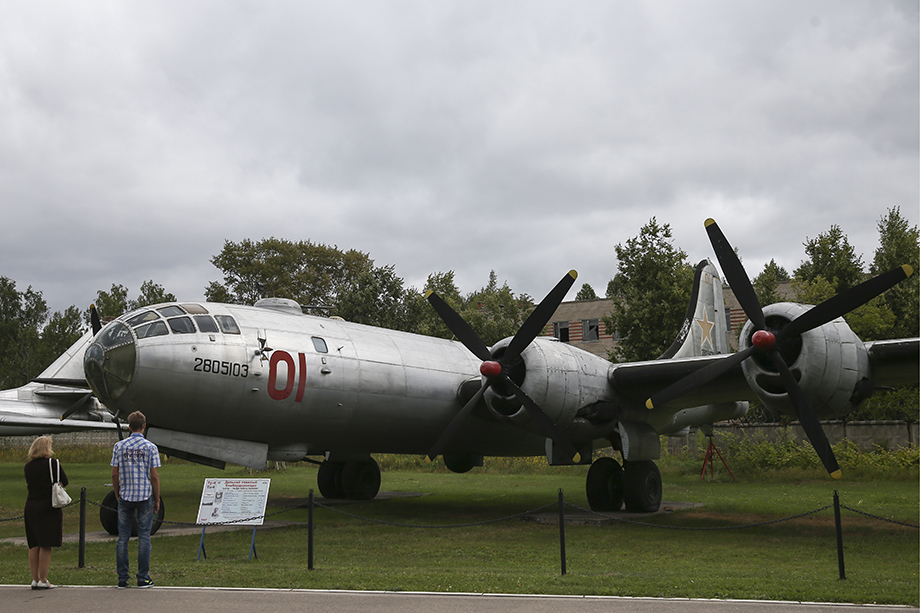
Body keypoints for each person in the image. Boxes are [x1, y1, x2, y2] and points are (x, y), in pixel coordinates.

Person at [111, 411, 161, 589]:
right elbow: (154, 476)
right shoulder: (151, 447)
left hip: (125, 495)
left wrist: (117, 493)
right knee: (144, 537)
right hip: (144, 495)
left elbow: (114, 473)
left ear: (129, 426)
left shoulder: (119, 446)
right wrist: (157, 499)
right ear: (144, 426)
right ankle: (142, 577)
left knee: (123, 537)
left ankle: (122, 579)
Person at [24, 435, 68, 589]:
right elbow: (64, 481)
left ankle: (35, 578)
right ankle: (44, 579)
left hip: (31, 505)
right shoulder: (53, 463)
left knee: (34, 543)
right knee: (46, 544)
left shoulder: (28, 466)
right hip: (48, 505)